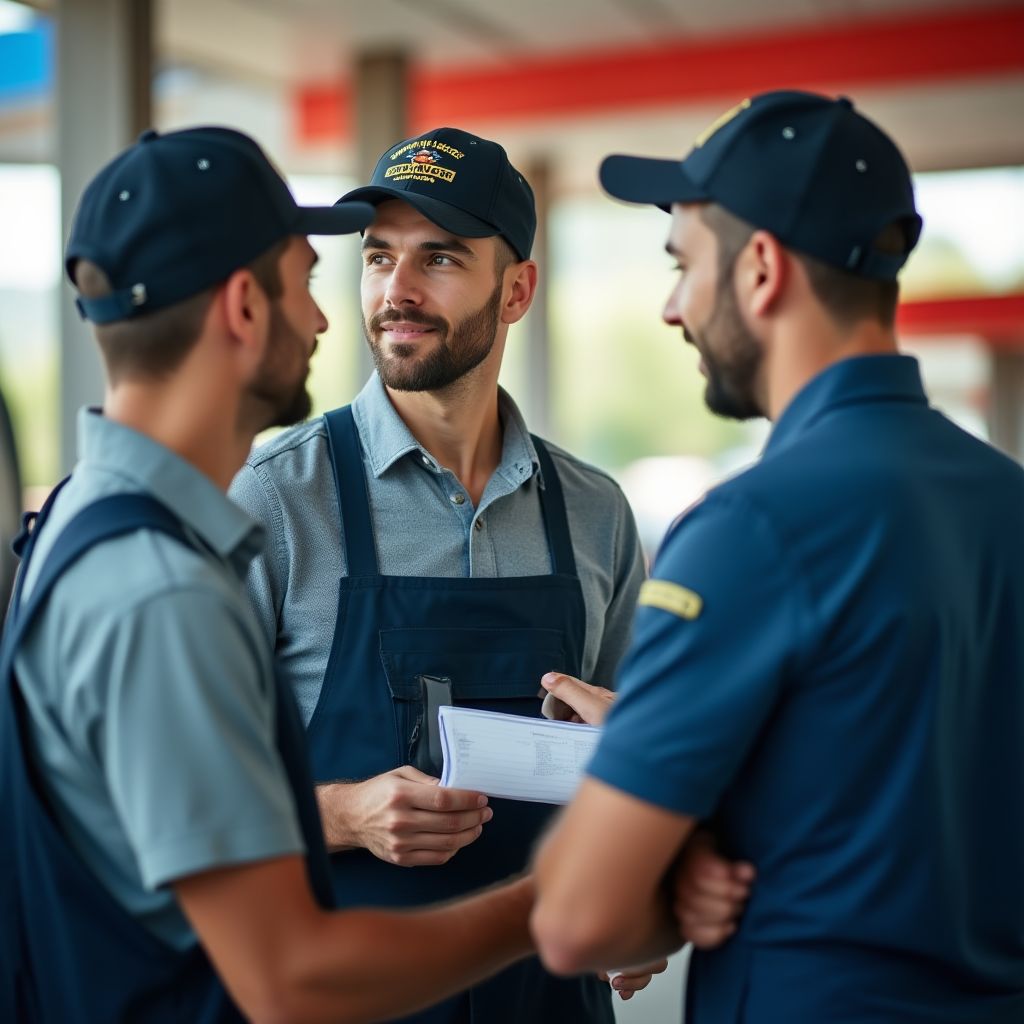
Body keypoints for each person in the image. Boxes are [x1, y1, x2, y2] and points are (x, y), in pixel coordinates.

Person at [0, 125, 548, 1024]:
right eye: (307, 281)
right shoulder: (163, 590)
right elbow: (293, 979)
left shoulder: (75, 524)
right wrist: (560, 904)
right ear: (243, 311)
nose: (333, 320)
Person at [531, 90, 1024, 1022]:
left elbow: (575, 919)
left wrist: (666, 842)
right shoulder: (1008, 500)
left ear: (760, 269)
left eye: (683, 266)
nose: (673, 309)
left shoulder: (750, 531)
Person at [230, 126, 731, 1022]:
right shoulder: (275, 500)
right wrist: (343, 814)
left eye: (441, 259)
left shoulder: (596, 512)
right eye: (379, 257)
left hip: (552, 995)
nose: (397, 291)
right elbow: (188, 801)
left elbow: (628, 763)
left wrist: (640, 898)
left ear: (517, 291)